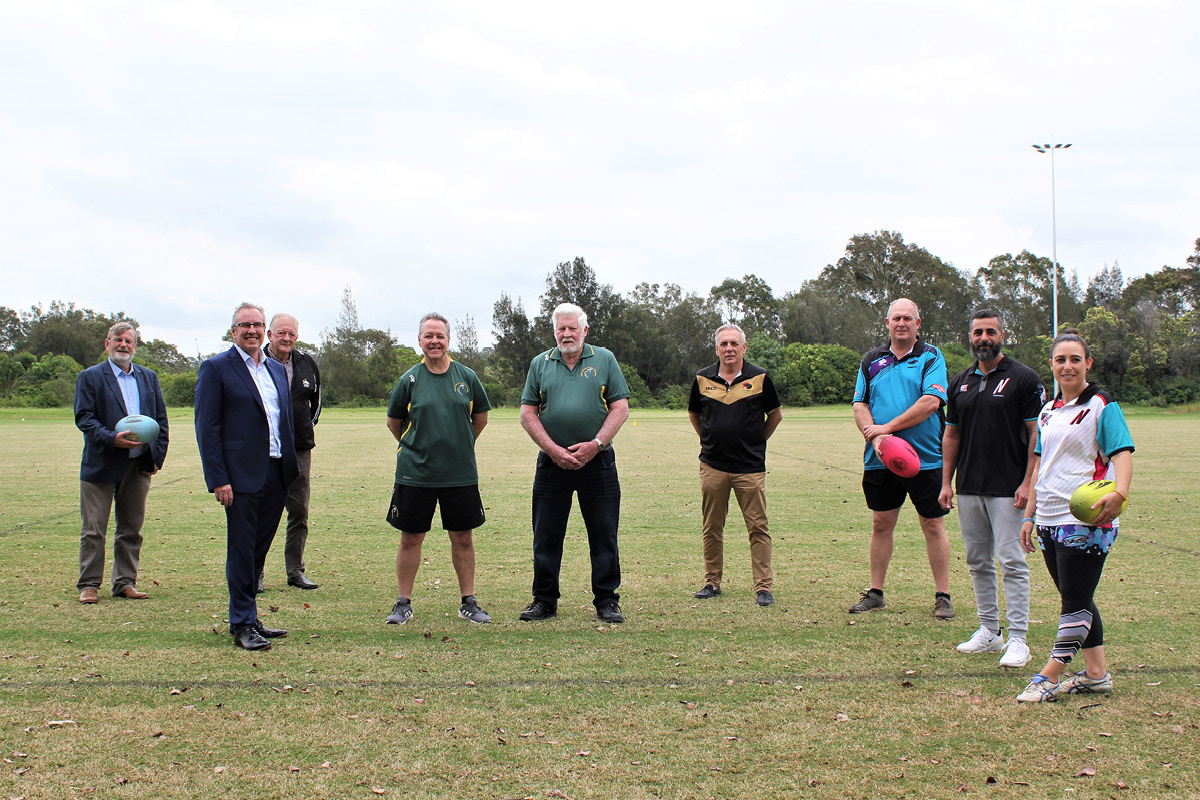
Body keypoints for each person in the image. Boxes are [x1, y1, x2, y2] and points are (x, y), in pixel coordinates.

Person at [1015, 329, 1134, 703]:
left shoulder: (1101, 403)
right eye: (1060, 360)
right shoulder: (1048, 410)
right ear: (1051, 365)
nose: (1068, 366)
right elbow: (1040, 468)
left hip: (1087, 519)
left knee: (1075, 601)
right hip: (1049, 518)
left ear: (1088, 364)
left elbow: (1122, 453)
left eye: (1075, 359)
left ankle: (1049, 675)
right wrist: (1029, 516)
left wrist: (1120, 493)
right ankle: (1096, 675)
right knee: (1076, 596)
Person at [940, 310, 1045, 668]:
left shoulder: (1024, 378)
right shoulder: (960, 381)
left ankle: (1018, 638)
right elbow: (951, 434)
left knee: (1012, 561)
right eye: (977, 333)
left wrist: (1028, 482)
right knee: (977, 561)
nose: (983, 338)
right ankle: (989, 629)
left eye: (990, 332)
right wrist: (946, 482)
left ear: (1002, 335)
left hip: (1009, 487)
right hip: (969, 485)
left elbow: (1036, 434)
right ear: (969, 337)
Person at [518, 303, 631, 624]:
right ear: (554, 332)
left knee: (604, 533)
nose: (566, 334)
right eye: (560, 329)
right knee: (546, 534)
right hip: (552, 463)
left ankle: (607, 600)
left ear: (585, 330)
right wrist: (553, 450)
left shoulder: (605, 359)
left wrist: (595, 445)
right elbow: (528, 414)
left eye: (572, 328)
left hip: (598, 461)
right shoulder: (540, 363)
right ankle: (544, 600)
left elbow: (620, 408)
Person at [195, 303, 298, 651]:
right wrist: (218, 478)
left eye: (258, 325)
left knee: (257, 550)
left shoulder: (274, 368)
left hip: (276, 471)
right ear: (233, 331)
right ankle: (241, 623)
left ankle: (251, 617)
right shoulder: (216, 368)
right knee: (242, 550)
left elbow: (281, 420)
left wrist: (289, 467)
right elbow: (207, 428)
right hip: (239, 477)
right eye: (245, 325)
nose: (252, 330)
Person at [383, 313, 492, 625]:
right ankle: (403, 602)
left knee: (463, 537)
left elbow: (480, 417)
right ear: (419, 340)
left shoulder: (467, 377)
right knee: (411, 538)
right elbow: (394, 423)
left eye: (439, 336)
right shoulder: (409, 380)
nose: (434, 341)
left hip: (460, 474)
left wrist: (460, 443)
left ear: (448, 340)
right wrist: (416, 447)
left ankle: (468, 602)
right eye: (428, 336)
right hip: (415, 474)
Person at [850, 298, 955, 619]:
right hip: (880, 459)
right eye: (896, 318)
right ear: (887, 323)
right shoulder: (872, 359)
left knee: (933, 524)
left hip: (927, 459)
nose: (902, 323)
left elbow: (932, 401)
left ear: (918, 324)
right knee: (881, 524)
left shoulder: (931, 356)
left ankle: (943, 596)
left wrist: (889, 428)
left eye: (908, 318)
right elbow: (859, 403)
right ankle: (876, 592)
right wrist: (876, 435)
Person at [687, 323, 783, 606]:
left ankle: (763, 587)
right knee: (712, 526)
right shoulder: (703, 378)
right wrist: (709, 439)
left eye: (733, 344)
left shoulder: (760, 378)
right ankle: (711, 582)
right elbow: (695, 414)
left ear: (744, 347)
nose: (729, 348)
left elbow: (775, 415)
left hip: (750, 467)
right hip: (713, 466)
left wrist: (756, 442)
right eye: (723, 344)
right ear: (716, 349)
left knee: (758, 527)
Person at [73, 322, 170, 604]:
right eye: (118, 340)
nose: (123, 345)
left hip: (138, 465)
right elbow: (85, 418)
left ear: (135, 347)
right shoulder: (90, 377)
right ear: (107, 344)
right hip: (101, 463)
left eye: (129, 341)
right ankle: (89, 584)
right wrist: (112, 438)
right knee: (94, 529)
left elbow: (161, 420)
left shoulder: (149, 377)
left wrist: (156, 457)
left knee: (131, 528)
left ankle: (125, 582)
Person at [262, 313, 322, 591]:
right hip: (262, 449)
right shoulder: (256, 363)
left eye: (292, 334)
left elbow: (316, 403)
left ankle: (295, 570)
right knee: (260, 511)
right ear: (269, 334)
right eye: (281, 333)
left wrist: (302, 428)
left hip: (299, 448)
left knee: (299, 512)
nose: (286, 339)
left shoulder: (306, 363)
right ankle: (254, 572)